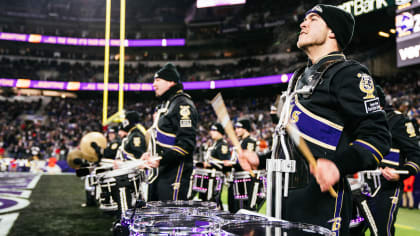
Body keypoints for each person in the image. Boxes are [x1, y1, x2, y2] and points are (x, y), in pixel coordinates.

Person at [238, 4, 391, 234]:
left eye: (313, 19)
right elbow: (297, 143)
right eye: (304, 19)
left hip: (320, 206)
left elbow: (377, 136)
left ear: (333, 31)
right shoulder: (299, 77)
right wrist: (260, 160)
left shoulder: (348, 73)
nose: (303, 23)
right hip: (281, 199)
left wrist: (338, 166)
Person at [366, 86, 420, 236]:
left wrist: (401, 173)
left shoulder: (398, 121)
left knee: (382, 232)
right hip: (357, 186)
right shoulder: (356, 120)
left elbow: (416, 156)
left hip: (385, 187)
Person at [141, 63, 198, 201]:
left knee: (170, 219)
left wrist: (161, 160)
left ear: (171, 82)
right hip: (161, 173)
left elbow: (186, 145)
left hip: (174, 174)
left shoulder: (182, 104)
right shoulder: (167, 104)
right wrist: (151, 154)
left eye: (158, 80)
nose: (154, 84)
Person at [228, 118, 258, 213]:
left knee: (243, 209)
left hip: (245, 179)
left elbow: (248, 161)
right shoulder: (240, 142)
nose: (236, 130)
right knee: (233, 208)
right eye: (235, 128)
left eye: (239, 128)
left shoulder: (250, 141)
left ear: (245, 129)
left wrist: (231, 164)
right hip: (236, 178)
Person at [201, 122, 232, 205]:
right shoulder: (215, 144)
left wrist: (209, 164)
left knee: (214, 200)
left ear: (220, 132)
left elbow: (224, 163)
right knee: (207, 200)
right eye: (211, 130)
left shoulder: (222, 145)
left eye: (214, 130)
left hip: (216, 177)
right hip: (209, 177)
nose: (212, 132)